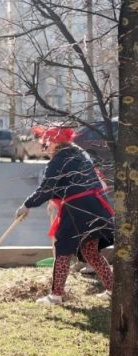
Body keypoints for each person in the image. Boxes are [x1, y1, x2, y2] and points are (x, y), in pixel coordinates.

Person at [16, 126, 114, 305]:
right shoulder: (78, 152)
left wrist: (26, 205)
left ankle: (55, 296)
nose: (45, 147)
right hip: (97, 206)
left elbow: (47, 188)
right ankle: (113, 289)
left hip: (77, 209)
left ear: (55, 142)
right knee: (90, 251)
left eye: (46, 143)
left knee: (63, 250)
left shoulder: (59, 159)